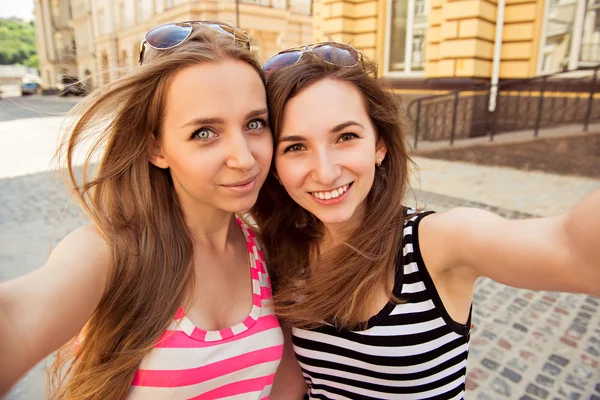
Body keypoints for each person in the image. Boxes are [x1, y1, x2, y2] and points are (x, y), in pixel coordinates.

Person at [254, 43, 600, 399]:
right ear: (275, 167)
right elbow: (293, 380)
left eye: (346, 137)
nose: (325, 173)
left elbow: (574, 251)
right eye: (295, 147)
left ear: (380, 145)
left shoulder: (437, 244)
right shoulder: (284, 251)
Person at [0, 22, 283, 399]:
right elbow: (16, 315)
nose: (245, 158)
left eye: (254, 123)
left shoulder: (265, 254)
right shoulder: (112, 254)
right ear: (157, 149)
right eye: (204, 132)